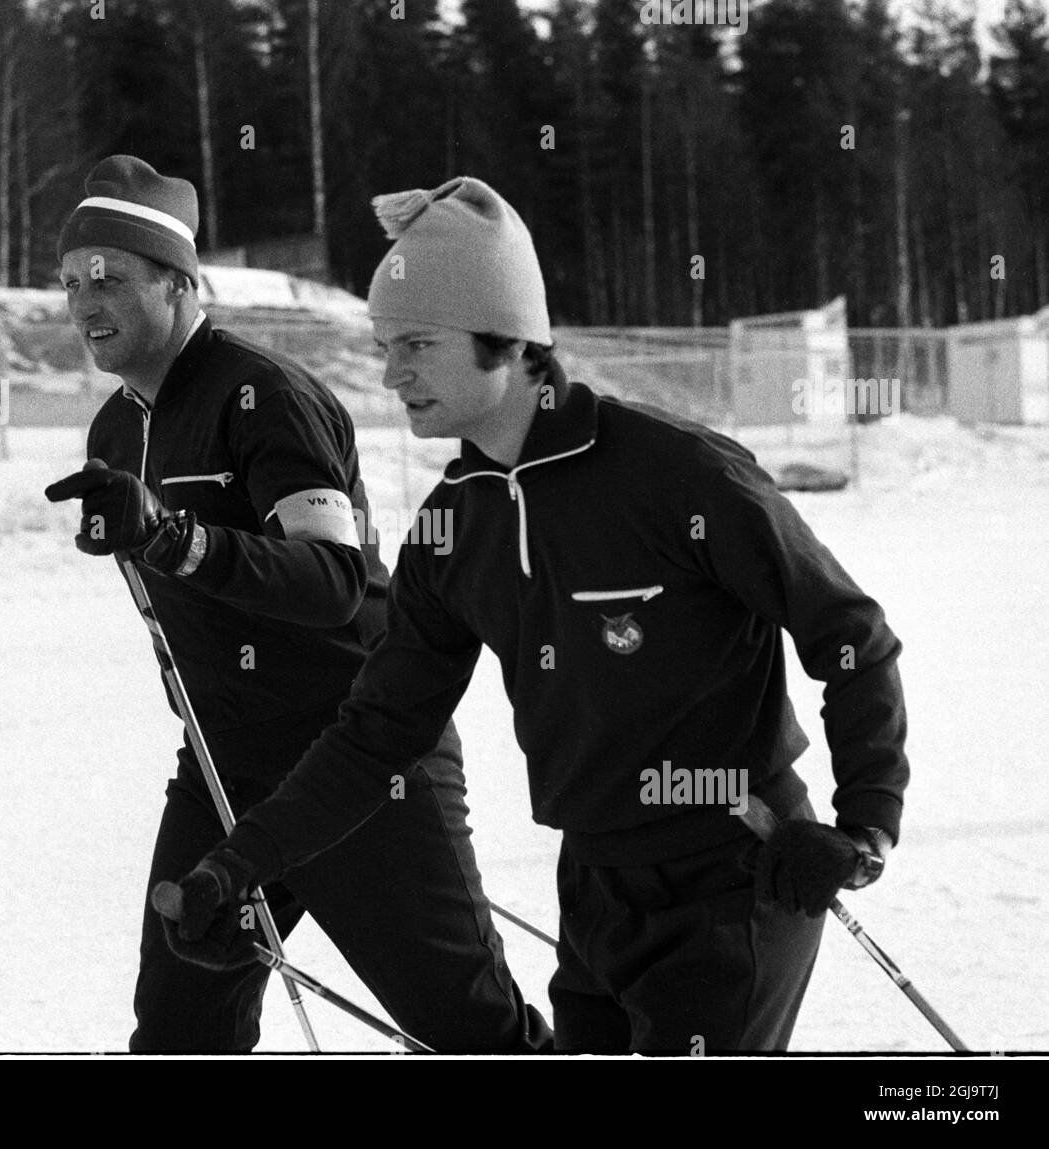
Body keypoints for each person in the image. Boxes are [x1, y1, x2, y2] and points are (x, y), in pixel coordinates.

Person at [159, 176, 910, 1053]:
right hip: (594, 886)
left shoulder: (676, 474)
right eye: (385, 344)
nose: (391, 371)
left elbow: (849, 633)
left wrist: (861, 828)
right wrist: (234, 868)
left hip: (735, 872)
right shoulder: (450, 524)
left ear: (507, 341)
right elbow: (375, 733)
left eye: (417, 344)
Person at [45, 156, 549, 1053]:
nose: (86, 301)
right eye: (72, 281)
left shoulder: (263, 396)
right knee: (177, 1029)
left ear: (179, 279)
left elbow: (333, 583)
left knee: (471, 1032)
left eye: (111, 277)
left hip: (356, 759)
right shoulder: (116, 430)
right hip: (223, 765)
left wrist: (176, 540)